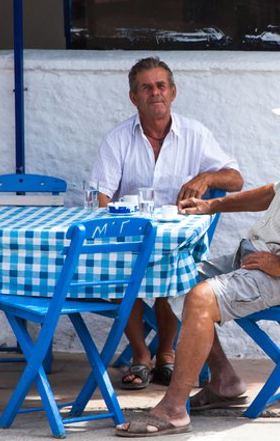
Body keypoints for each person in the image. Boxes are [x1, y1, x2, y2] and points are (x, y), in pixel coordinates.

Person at [115, 90, 280, 437]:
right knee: (179, 277)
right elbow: (272, 193)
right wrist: (212, 206)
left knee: (201, 298)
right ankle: (225, 381)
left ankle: (173, 409)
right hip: (260, 257)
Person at [90, 56, 243, 389]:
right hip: (130, 239)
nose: (155, 93)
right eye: (146, 87)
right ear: (134, 97)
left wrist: (207, 176)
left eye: (161, 86)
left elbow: (236, 180)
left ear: (173, 92)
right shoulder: (117, 139)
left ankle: (168, 355)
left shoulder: (195, 134)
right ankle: (142, 355)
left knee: (174, 267)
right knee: (115, 268)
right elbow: (101, 196)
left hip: (177, 241)